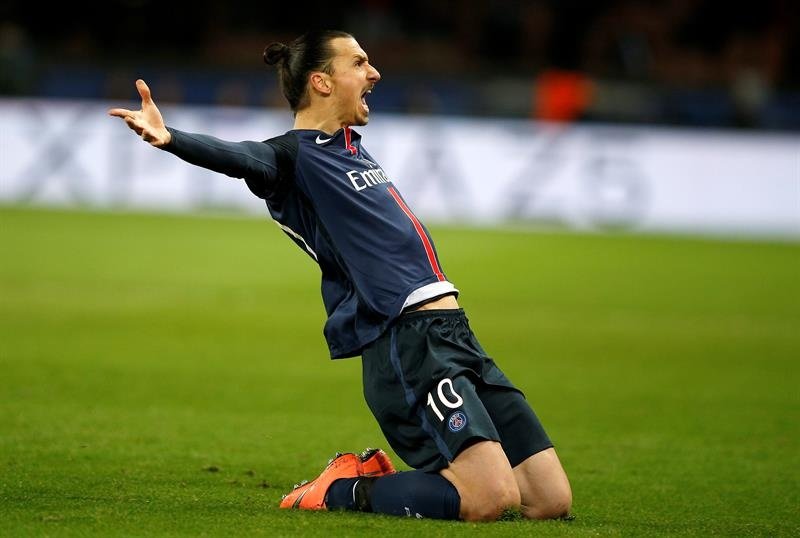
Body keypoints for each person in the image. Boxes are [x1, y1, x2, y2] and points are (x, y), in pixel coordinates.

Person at [108, 29, 572, 522]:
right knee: (488, 500)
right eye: (359, 63)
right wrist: (173, 139)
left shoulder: (351, 148)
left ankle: (402, 481)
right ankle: (339, 491)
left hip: (457, 335)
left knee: (548, 500)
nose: (373, 73)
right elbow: (244, 157)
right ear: (322, 82)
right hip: (408, 345)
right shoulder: (292, 157)